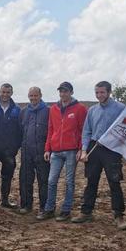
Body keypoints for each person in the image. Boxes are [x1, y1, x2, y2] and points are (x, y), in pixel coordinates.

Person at [72, 81, 126, 230]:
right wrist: (84, 150)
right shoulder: (92, 110)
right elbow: (86, 132)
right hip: (94, 148)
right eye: (97, 92)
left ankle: (119, 216)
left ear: (109, 92)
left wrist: (118, 145)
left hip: (112, 150)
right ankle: (86, 212)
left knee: (114, 182)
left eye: (102, 92)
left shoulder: (121, 109)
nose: (99, 95)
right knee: (91, 181)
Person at [38, 81, 88, 221]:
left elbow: (83, 130)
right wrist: (47, 148)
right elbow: (51, 129)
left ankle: (66, 210)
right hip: (56, 151)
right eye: (61, 91)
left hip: (71, 151)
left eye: (65, 91)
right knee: (51, 180)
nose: (63, 94)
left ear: (71, 92)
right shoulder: (53, 109)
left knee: (69, 181)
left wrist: (80, 149)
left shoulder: (80, 109)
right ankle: (49, 208)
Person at [18, 87, 50, 215]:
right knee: (25, 179)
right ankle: (26, 205)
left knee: (43, 180)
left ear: (40, 95)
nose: (33, 98)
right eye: (31, 96)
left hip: (42, 152)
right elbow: (20, 129)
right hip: (26, 151)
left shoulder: (48, 111)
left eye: (35, 95)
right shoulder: (24, 112)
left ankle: (44, 207)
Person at [0, 83, 22, 208]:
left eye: (8, 92)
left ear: (11, 93)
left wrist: (15, 146)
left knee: (7, 175)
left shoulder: (17, 110)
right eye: (3, 92)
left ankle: (4, 200)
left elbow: (19, 130)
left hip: (9, 150)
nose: (5, 94)